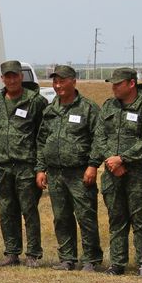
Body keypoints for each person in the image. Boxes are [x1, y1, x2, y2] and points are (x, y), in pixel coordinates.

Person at [36, 64, 103, 272]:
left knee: (85, 216)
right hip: (55, 173)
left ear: (74, 81)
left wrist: (92, 166)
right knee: (61, 217)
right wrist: (40, 168)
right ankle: (67, 258)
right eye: (55, 81)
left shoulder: (88, 108)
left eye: (62, 80)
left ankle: (91, 259)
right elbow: (41, 140)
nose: (58, 85)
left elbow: (98, 139)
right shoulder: (50, 110)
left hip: (79, 172)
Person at [94, 67, 142, 276]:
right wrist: (112, 161)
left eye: (117, 84)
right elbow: (99, 137)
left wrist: (123, 159)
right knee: (117, 218)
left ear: (131, 83)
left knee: (141, 219)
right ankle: (117, 263)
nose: (113, 87)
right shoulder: (108, 106)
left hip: (138, 175)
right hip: (112, 173)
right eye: (112, 84)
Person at [0, 60, 48, 268]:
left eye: (15, 76)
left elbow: (43, 135)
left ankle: (33, 253)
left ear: (22, 77)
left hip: (26, 164)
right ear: (2, 78)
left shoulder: (35, 101)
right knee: (6, 209)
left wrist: (41, 166)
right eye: (8, 76)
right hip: (2, 164)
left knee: (29, 210)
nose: (12, 80)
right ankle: (11, 252)